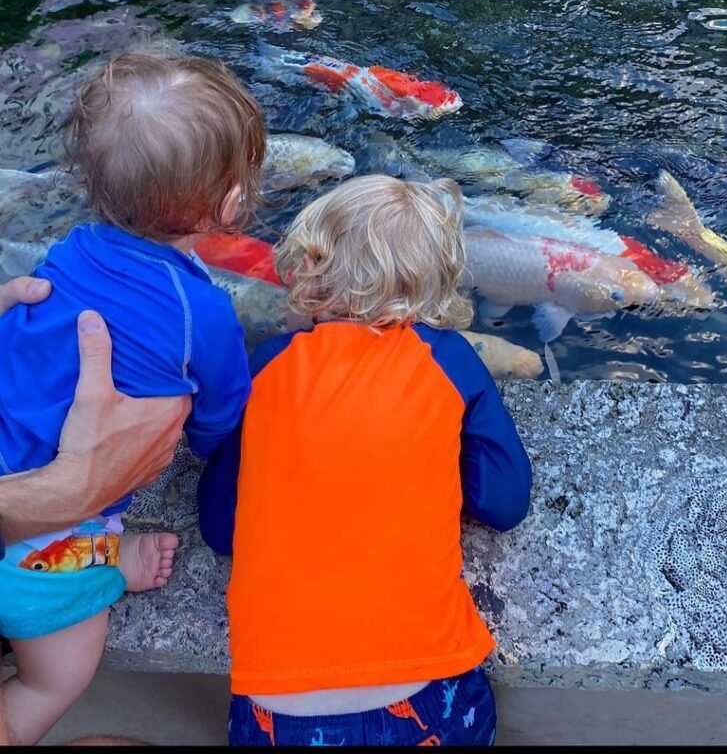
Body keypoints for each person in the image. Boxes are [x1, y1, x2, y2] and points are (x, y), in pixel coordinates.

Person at [197, 174, 533, 747]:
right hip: (428, 695)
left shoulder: (267, 365)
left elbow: (220, 528)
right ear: (436, 282)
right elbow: (504, 503)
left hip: (275, 711)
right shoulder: (448, 359)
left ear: (309, 264)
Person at [0, 51, 267, 746]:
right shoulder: (200, 312)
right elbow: (218, 419)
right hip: (43, 553)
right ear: (231, 202)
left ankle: (109, 557)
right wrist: (206, 447)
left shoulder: (68, 250)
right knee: (54, 678)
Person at [0, 282, 190, 748]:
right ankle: (97, 552)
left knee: (49, 683)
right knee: (49, 682)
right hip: (40, 574)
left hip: (38, 570)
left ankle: (97, 550)